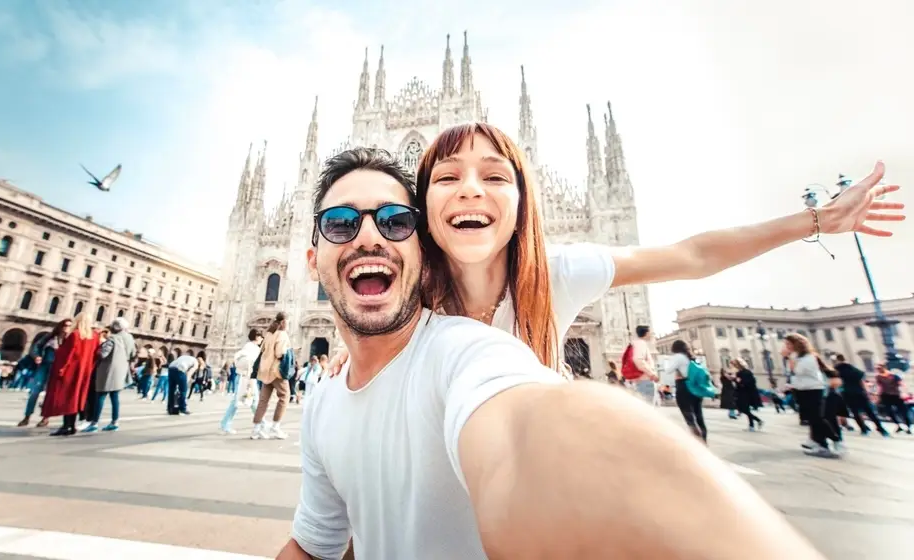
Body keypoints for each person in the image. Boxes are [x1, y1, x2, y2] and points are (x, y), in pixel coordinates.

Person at [277, 147, 824, 560]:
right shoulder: (338, 392)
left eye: (395, 220)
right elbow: (322, 541)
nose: (471, 192)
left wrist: (815, 222)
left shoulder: (523, 297)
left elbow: (531, 429)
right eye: (342, 222)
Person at [328, 122, 904, 383]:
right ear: (421, 208)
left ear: (526, 203)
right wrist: (355, 353)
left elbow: (693, 254)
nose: (471, 189)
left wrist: (815, 220)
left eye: (495, 176)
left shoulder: (554, 276)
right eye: (446, 176)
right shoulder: (410, 295)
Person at [783, 333, 839, 458]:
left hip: (813, 390)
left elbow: (798, 371)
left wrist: (790, 358)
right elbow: (793, 374)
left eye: (788, 344)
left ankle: (835, 439)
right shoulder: (797, 357)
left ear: (796, 344)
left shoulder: (808, 357)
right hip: (802, 389)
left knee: (816, 418)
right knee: (811, 418)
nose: (786, 347)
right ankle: (819, 443)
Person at [43, 313, 99, 436]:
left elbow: (68, 354)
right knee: (76, 398)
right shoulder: (94, 336)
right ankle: (71, 426)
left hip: (71, 371)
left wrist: (61, 367)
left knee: (67, 398)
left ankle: (66, 426)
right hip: (84, 372)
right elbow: (95, 355)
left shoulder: (75, 335)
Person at [83, 317, 136, 433]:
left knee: (101, 395)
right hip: (122, 369)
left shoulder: (113, 338)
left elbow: (103, 354)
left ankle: (94, 423)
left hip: (108, 369)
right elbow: (133, 354)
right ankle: (114, 422)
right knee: (115, 396)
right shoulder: (130, 338)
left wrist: (98, 348)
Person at [18, 319, 72, 428]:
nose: (67, 328)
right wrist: (36, 356)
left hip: (57, 369)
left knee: (50, 394)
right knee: (34, 392)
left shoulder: (69, 339)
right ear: (60, 326)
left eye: (69, 326)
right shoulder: (50, 337)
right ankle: (27, 416)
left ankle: (45, 418)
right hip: (44, 367)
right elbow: (35, 347)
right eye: (65, 325)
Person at [252, 311, 292, 440]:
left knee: (263, 401)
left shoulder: (269, 333)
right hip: (276, 372)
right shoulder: (282, 334)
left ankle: (256, 429)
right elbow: (280, 353)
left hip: (265, 370)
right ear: (284, 322)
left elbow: (263, 350)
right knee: (284, 397)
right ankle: (275, 427)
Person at [833, 353, 888, 436]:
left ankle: (863, 429)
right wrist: (866, 392)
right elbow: (861, 381)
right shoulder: (854, 369)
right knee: (869, 411)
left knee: (855, 412)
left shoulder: (836, 371)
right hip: (859, 392)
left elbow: (837, 383)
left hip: (847, 393)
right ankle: (881, 429)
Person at [222, 329, 263, 435]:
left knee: (252, 402)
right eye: (261, 337)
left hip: (247, 378)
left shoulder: (253, 347)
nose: (262, 339)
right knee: (239, 402)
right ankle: (226, 424)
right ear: (257, 337)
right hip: (245, 378)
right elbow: (250, 362)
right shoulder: (251, 347)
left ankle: (262, 423)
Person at [666, 339, 707, 442]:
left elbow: (668, 370)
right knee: (699, 416)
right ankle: (704, 441)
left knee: (689, 417)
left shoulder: (677, 357)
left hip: (683, 386)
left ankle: (697, 441)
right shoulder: (692, 357)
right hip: (695, 387)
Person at [731, 358, 764, 431]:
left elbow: (747, 382)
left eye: (735, 365)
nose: (734, 366)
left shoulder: (745, 372)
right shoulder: (741, 372)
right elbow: (739, 383)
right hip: (743, 392)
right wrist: (735, 380)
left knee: (744, 409)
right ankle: (752, 425)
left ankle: (757, 421)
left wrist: (738, 380)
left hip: (746, 393)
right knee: (745, 409)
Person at [167, 350, 196, 416]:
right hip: (180, 368)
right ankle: (183, 409)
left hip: (171, 367)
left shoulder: (184, 357)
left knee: (171, 390)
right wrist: (186, 382)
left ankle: (170, 408)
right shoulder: (195, 362)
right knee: (183, 390)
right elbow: (190, 373)